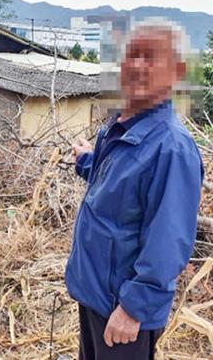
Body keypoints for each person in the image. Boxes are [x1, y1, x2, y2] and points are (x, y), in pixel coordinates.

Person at [66, 23, 203, 360]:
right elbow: (114, 185)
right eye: (132, 55)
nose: (138, 65)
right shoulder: (121, 124)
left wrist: (133, 309)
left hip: (123, 310)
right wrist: (86, 160)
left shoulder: (172, 147)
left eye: (151, 57)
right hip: (95, 293)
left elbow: (168, 241)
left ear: (176, 72)